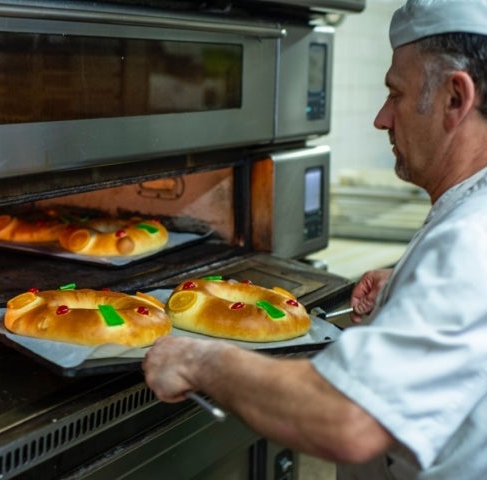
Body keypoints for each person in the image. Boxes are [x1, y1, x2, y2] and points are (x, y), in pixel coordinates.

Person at [142, 0, 487, 477]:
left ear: (455, 98)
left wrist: (200, 361)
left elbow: (349, 418)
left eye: (396, 94)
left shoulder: (471, 242)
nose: (382, 118)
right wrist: (408, 291)